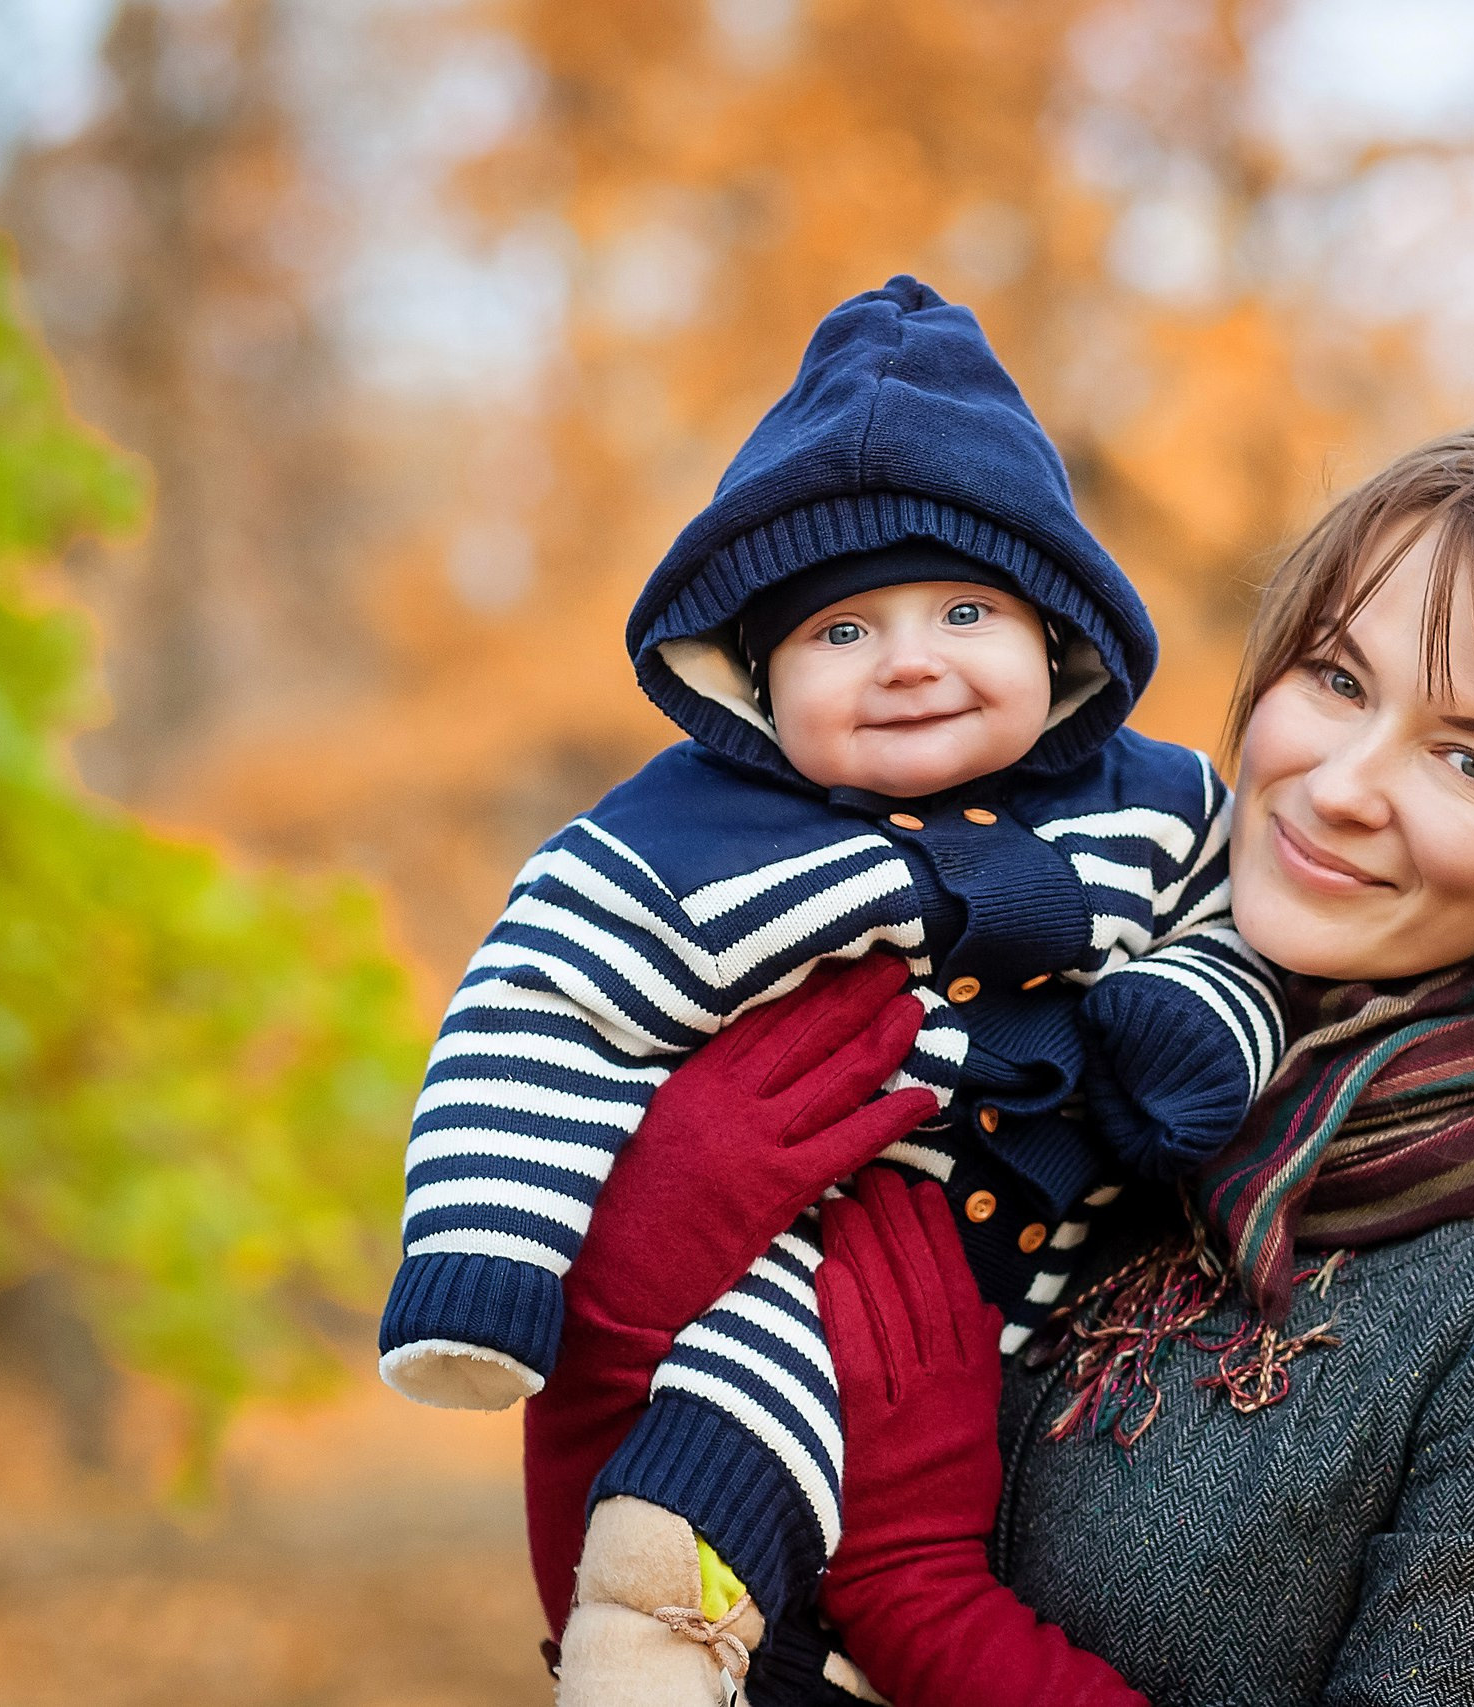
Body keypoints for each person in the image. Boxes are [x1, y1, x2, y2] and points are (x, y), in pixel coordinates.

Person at [595, 408, 1474, 1704]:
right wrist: (642, 1285)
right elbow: (664, 1611)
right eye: (1338, 679)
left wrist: (920, 1595)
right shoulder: (1113, 1067)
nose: (1341, 784)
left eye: (1472, 760)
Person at [373, 276, 1283, 1703]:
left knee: (926, 1590)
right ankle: (648, 1654)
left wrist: (1189, 1022)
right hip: (800, 1265)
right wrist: (487, 1268)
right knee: (724, 1449)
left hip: (1053, 1316)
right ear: (753, 678)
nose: (909, 661)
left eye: (966, 610)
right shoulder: (682, 842)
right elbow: (536, 1011)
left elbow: (1233, 925)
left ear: (1056, 636)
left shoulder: (1158, 801)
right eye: (841, 632)